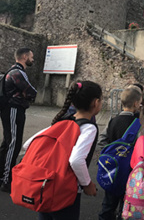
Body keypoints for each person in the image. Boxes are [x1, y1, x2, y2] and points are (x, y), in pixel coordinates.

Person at [23, 81, 102, 219]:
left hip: (46, 186)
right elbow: (76, 160)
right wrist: (87, 184)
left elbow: (28, 144)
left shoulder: (62, 121)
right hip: (65, 192)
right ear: (96, 103)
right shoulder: (89, 128)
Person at [99, 87, 142, 220]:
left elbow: (102, 140)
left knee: (108, 204)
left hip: (112, 170)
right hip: (128, 171)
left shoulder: (113, 120)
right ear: (135, 103)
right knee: (126, 206)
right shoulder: (138, 124)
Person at [0, 48, 37, 193]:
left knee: (7, 142)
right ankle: (7, 180)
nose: (33, 59)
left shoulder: (14, 71)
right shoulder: (17, 73)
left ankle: (2, 175)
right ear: (24, 56)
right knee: (13, 143)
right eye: (31, 56)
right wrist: (28, 95)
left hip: (11, 109)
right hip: (14, 109)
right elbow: (31, 93)